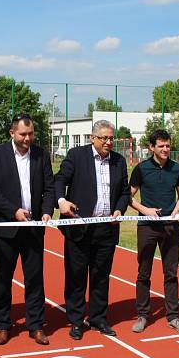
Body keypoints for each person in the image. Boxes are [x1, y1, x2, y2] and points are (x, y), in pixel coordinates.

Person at [55, 120, 130, 339]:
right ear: (92, 138)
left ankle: (98, 318)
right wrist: (61, 200)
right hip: (79, 227)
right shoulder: (76, 156)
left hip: (106, 229)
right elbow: (60, 179)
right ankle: (76, 321)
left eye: (111, 138)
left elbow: (125, 192)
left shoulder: (119, 161)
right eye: (104, 138)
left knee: (101, 276)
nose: (108, 142)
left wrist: (119, 210)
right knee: (76, 276)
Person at [0, 114, 55, 346]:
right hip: (7, 227)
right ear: (12, 133)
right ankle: (3, 325)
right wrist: (14, 211)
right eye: (23, 134)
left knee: (34, 278)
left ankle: (35, 326)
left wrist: (46, 211)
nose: (28, 138)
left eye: (31, 134)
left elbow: (49, 188)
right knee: (2, 278)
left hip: (33, 229)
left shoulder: (41, 155)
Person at [128, 129, 179, 334]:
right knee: (143, 273)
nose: (165, 149)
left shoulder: (177, 168)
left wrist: (176, 210)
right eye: (161, 146)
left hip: (170, 227)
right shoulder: (141, 169)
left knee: (171, 273)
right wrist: (145, 210)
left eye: (168, 145)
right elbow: (128, 197)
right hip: (147, 227)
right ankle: (143, 315)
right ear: (151, 147)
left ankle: (173, 316)